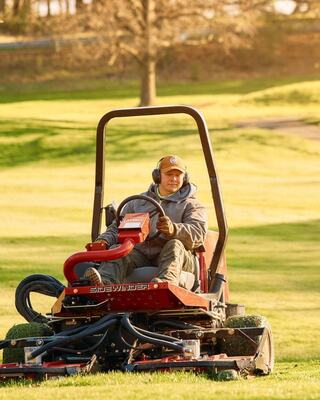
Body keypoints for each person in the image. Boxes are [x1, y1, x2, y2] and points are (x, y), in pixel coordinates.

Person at [84, 155, 208, 288]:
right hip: (141, 254)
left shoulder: (192, 205)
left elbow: (198, 233)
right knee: (118, 249)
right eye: (169, 174)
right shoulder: (138, 202)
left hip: (177, 257)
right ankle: (104, 285)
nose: (174, 179)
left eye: (178, 175)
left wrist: (173, 229)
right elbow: (117, 228)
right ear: (158, 176)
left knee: (174, 244)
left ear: (185, 178)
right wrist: (103, 240)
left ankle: (166, 285)